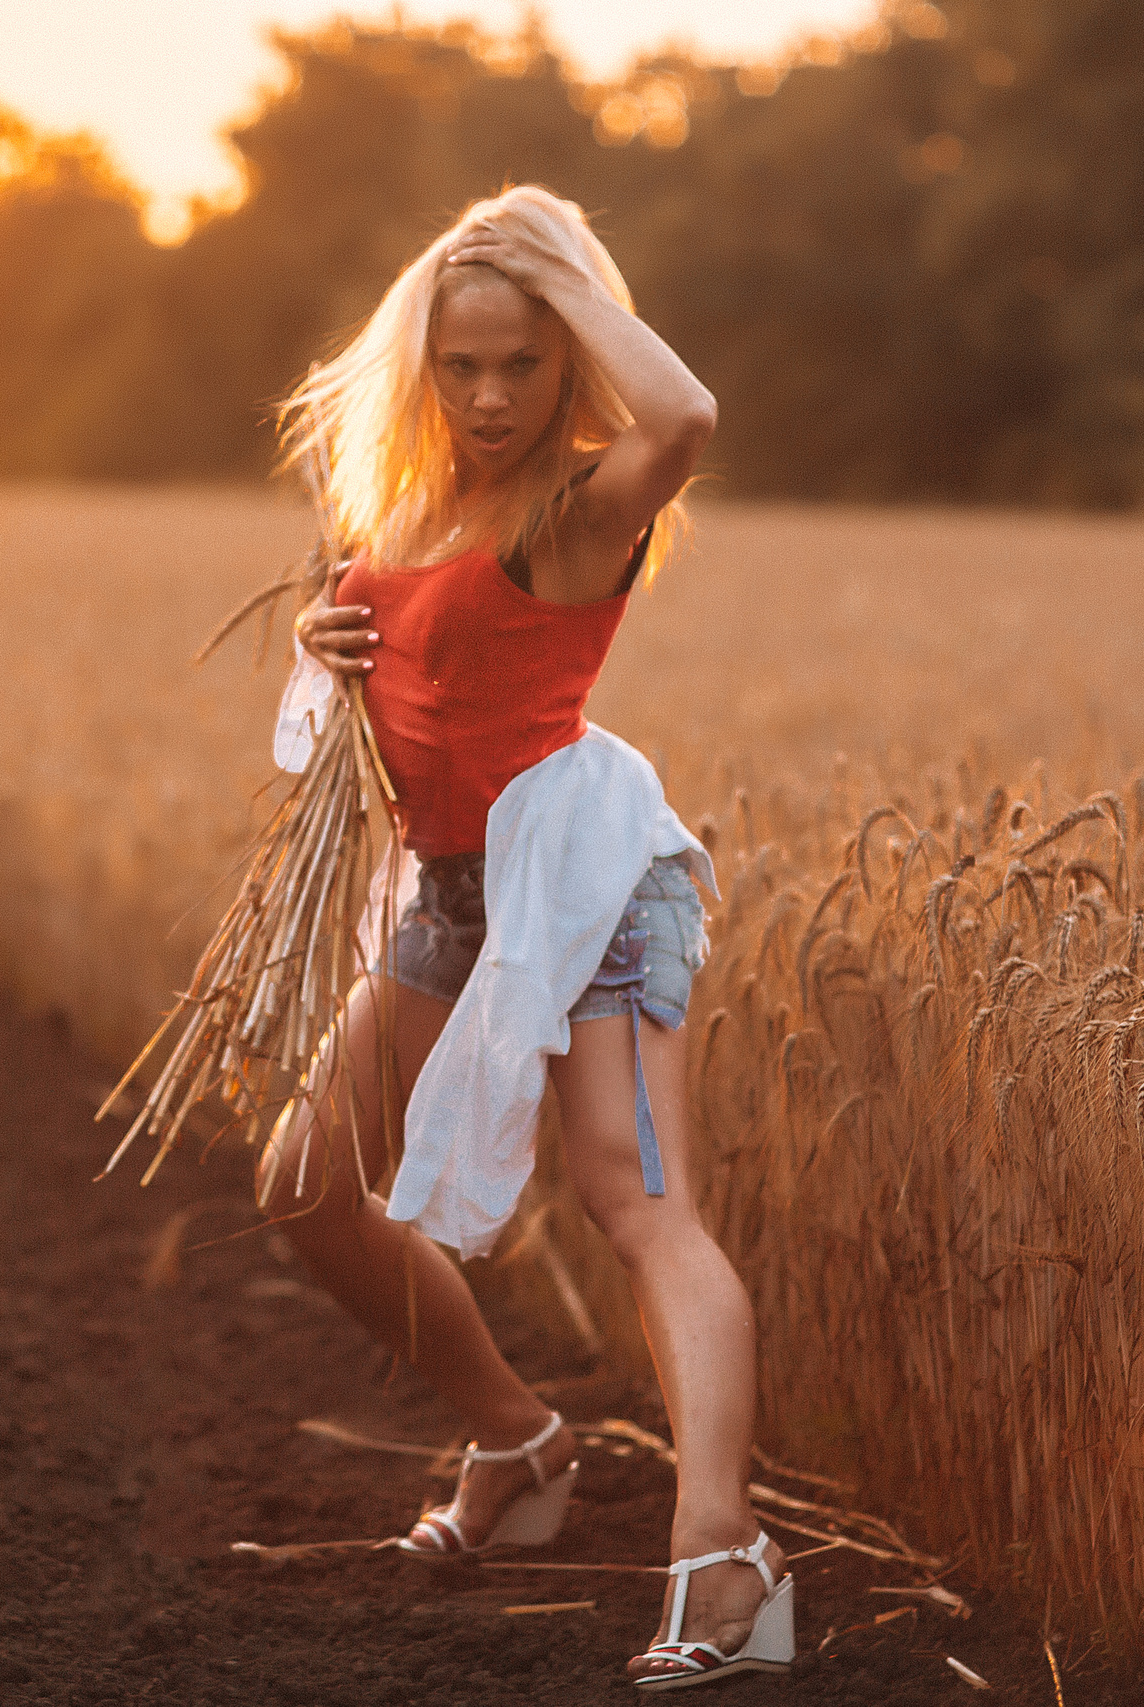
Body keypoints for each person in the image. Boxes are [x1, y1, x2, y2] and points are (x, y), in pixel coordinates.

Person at [257, 186, 791, 1690]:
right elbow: (391, 670)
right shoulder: (398, 509)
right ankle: (518, 1436)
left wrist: (549, 261)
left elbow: (682, 412)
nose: (491, 398)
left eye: (526, 363)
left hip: (587, 893)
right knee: (303, 1181)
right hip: (451, 897)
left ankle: (720, 1548)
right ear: (421, 365)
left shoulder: (578, 506)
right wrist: (323, 643)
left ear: (571, 361)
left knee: (639, 1207)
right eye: (461, 364)